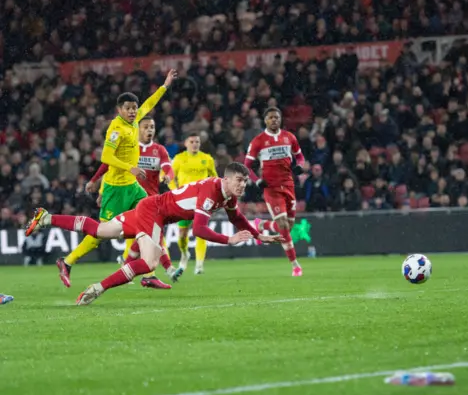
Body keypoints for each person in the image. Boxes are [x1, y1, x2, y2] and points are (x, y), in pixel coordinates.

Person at [26, 163, 284, 305]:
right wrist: (229, 239)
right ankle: (97, 289)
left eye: (245, 182)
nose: (242, 185)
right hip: (154, 212)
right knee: (149, 262)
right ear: (225, 179)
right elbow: (198, 229)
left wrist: (259, 236)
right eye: (239, 180)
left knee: (101, 230)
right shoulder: (211, 191)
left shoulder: (226, 196)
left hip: (150, 208)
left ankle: (46, 217)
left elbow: (237, 217)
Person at [55, 69, 178, 288]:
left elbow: (149, 104)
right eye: (128, 109)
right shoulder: (116, 128)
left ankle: (148, 272)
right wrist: (129, 168)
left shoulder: (135, 120)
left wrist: (165, 85)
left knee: (153, 216)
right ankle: (67, 261)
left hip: (133, 187)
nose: (132, 112)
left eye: (133, 108)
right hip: (116, 188)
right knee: (100, 232)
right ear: (119, 110)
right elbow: (105, 156)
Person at [88, 116, 176, 289]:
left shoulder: (159, 150)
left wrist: (168, 176)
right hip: (130, 199)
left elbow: (168, 168)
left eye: (152, 127)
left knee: (146, 236)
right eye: (146, 127)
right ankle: (162, 270)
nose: (149, 130)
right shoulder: (130, 149)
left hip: (151, 201)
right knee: (146, 235)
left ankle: (133, 268)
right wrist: (100, 189)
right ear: (138, 129)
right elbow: (109, 166)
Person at [244, 107, 306, 276]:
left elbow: (300, 156)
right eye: (270, 118)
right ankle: (295, 265)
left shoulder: (289, 137)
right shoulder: (258, 141)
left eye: (276, 117)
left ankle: (261, 225)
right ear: (265, 121)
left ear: (280, 119)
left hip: (288, 186)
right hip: (271, 189)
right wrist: (257, 181)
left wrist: (300, 165)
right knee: (283, 226)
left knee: (288, 225)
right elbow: (246, 166)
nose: (274, 120)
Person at [171, 133, 218, 274]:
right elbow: (169, 177)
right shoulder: (179, 159)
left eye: (197, 141)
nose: (195, 144)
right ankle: (185, 254)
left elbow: (215, 178)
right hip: (184, 201)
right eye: (191, 141)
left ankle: (199, 265)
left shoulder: (207, 159)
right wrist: (175, 191)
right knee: (182, 234)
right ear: (185, 143)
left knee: (201, 231)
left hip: (202, 201)